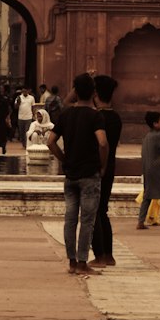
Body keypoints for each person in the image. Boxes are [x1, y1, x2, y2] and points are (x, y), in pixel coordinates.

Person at [47, 72, 108, 274]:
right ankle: (83, 262)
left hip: (71, 174)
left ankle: (72, 262)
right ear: (93, 93)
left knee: (70, 219)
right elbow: (102, 142)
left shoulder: (66, 114)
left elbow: (50, 142)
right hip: (89, 175)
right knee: (87, 221)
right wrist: (103, 165)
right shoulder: (95, 115)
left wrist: (64, 159)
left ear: (75, 92)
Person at [92, 74, 122, 265]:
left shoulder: (97, 117)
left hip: (98, 167)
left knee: (95, 212)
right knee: (102, 210)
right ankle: (107, 255)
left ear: (96, 93)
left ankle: (100, 256)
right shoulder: (115, 117)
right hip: (109, 166)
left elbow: (102, 144)